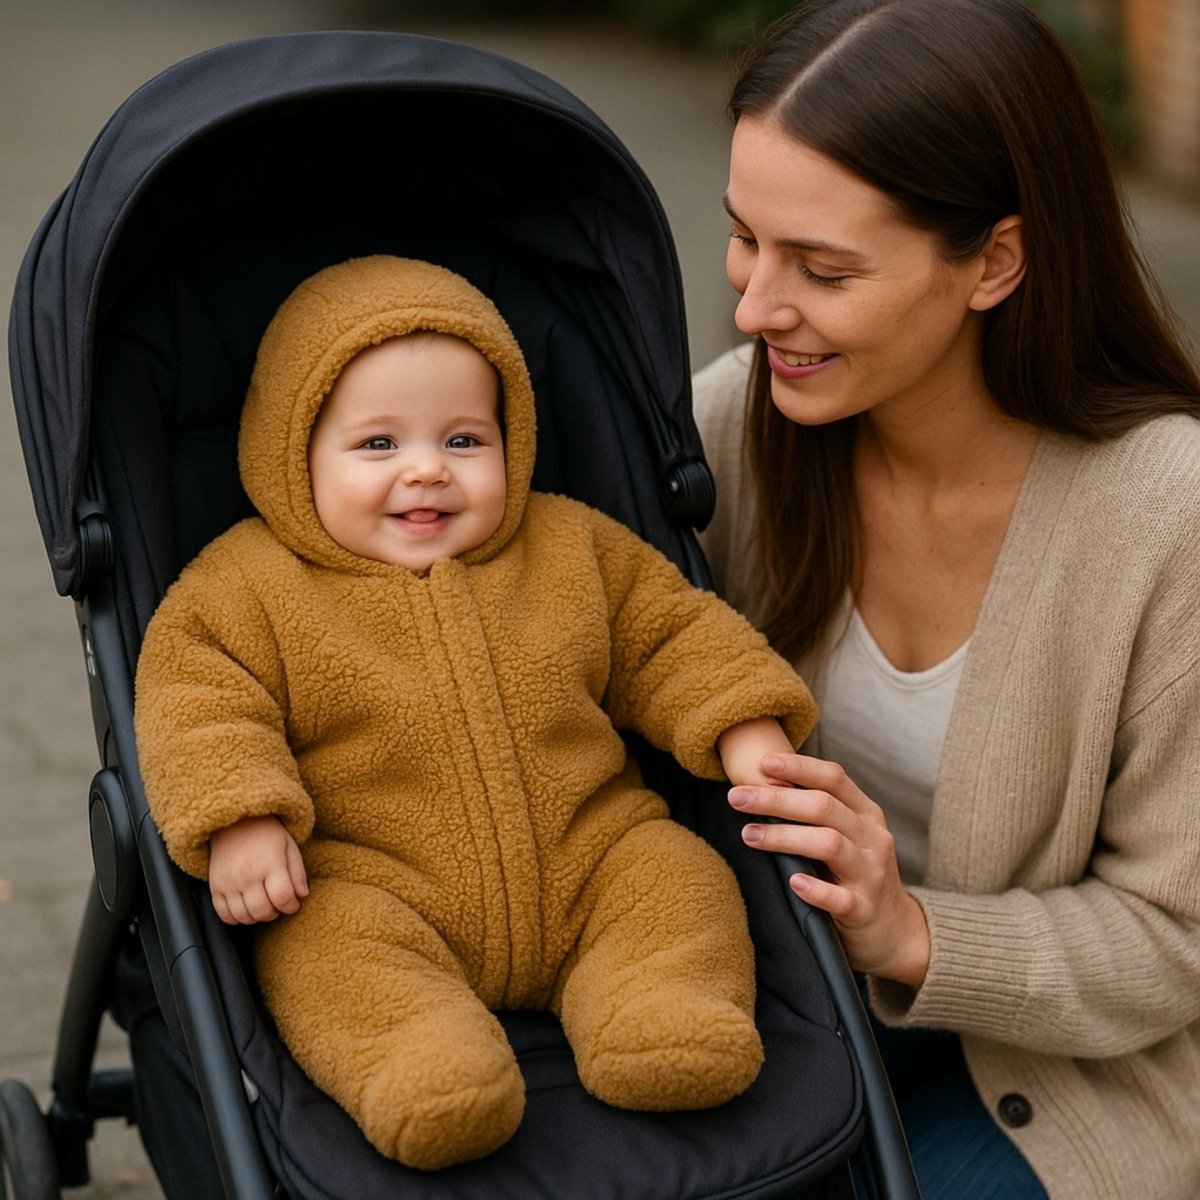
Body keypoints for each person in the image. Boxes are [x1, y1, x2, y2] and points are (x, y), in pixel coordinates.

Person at [133, 255, 818, 1171]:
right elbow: (196, 701)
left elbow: (671, 633)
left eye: (463, 440)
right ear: (294, 456)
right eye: (378, 445)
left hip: (591, 857)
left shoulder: (569, 546)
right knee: (322, 954)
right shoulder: (246, 590)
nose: (427, 471)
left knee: (678, 878)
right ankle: (421, 1063)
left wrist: (742, 720)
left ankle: (657, 1013)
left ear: (512, 439)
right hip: (373, 886)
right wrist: (241, 817)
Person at [693, 1, 1200, 1198]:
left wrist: (908, 930)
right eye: (745, 239)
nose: (756, 307)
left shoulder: (1165, 517)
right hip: (782, 1011)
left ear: (996, 262)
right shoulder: (734, 425)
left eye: (823, 269)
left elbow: (1175, 936)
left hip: (1065, 1073)